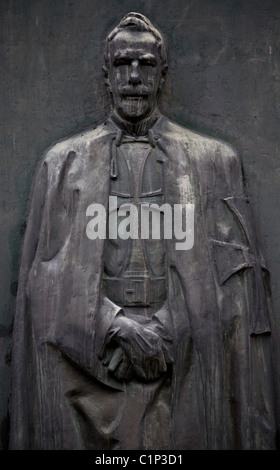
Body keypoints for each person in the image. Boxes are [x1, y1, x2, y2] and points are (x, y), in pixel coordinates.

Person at [9, 12, 277, 450]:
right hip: (93, 365)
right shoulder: (61, 165)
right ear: (107, 75)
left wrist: (168, 330)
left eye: (146, 64)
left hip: (185, 360)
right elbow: (44, 281)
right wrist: (114, 327)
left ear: (162, 74)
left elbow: (237, 278)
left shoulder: (216, 162)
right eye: (122, 65)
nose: (134, 77)